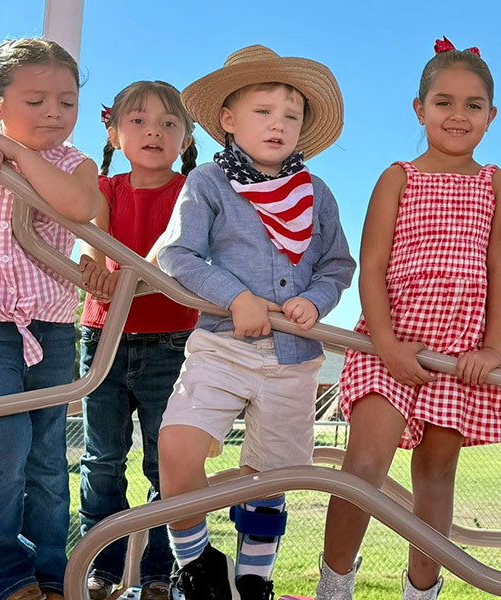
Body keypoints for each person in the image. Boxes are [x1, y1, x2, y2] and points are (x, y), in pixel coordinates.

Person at [318, 39, 501, 600]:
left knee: (436, 475)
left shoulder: (497, 183)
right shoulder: (398, 177)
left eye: (473, 105)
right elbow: (373, 267)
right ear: (419, 109)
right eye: (443, 102)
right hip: (393, 340)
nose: (458, 115)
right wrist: (386, 343)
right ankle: (333, 588)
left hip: (460, 352)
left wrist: (493, 348)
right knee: (364, 465)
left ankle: (421, 593)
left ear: (491, 115)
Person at [154, 45, 355, 600]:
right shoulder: (208, 183)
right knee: (177, 446)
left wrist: (315, 300)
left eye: (291, 115)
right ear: (228, 119)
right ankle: (196, 565)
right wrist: (235, 296)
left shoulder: (316, 193)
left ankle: (253, 581)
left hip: (294, 356)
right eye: (263, 111)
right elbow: (175, 254)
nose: (278, 124)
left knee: (271, 478)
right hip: (223, 345)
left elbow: (338, 264)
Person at [0, 37, 103, 600]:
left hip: (49, 324)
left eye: (67, 102)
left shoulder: (75, 163)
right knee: (4, 436)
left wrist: (17, 154)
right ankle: (2, 573)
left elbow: (79, 207)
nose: (54, 112)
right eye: (35, 101)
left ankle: (50, 573)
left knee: (48, 452)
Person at [75, 80, 200, 600]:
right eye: (140, 121)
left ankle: (158, 574)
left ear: (186, 140)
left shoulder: (194, 192)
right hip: (104, 335)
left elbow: (179, 252)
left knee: (162, 462)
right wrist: (91, 265)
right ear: (114, 133)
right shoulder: (105, 189)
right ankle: (99, 567)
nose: (154, 132)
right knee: (102, 458)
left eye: (169, 124)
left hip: (172, 340)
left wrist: (128, 275)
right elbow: (92, 239)